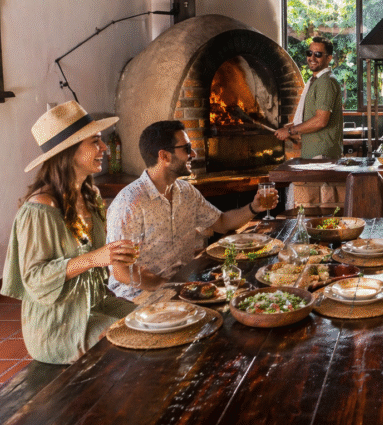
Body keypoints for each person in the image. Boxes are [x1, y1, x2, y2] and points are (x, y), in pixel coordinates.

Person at [1, 101, 138, 364]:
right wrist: (93, 258)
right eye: (95, 142)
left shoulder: (91, 195)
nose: (104, 148)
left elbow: (100, 260)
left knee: (147, 319)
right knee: (127, 342)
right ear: (68, 152)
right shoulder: (40, 209)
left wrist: (117, 258)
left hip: (94, 304)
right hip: (58, 322)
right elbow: (34, 278)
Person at [107, 120, 278, 298]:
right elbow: (122, 272)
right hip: (139, 296)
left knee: (252, 290)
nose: (194, 154)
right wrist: (168, 286)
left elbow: (222, 222)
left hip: (184, 286)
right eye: (187, 149)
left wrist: (254, 207)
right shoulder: (129, 203)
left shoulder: (186, 191)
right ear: (164, 156)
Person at [275, 36, 343, 159]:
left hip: (322, 155)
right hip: (315, 155)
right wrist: (291, 127)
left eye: (318, 54)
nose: (312, 58)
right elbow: (311, 117)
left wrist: (290, 131)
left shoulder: (325, 82)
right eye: (309, 53)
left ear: (329, 58)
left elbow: (320, 121)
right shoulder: (315, 81)